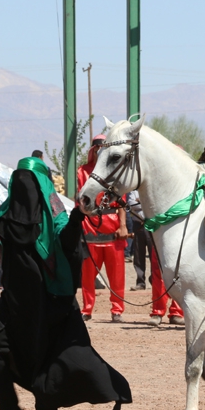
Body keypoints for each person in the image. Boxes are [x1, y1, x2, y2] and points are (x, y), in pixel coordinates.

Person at [0, 156, 132, 410]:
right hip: (13, 303)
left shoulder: (57, 216)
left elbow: (67, 240)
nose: (24, 188)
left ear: (41, 185)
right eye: (19, 181)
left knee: (47, 363)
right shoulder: (5, 215)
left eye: (29, 182)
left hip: (49, 303)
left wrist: (76, 220)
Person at [77, 135, 127, 323]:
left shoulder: (116, 173)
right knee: (88, 275)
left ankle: (117, 309)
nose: (99, 151)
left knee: (117, 275)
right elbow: (79, 201)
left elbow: (121, 202)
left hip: (113, 228)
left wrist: (122, 225)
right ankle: (87, 309)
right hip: (90, 228)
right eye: (97, 148)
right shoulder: (82, 172)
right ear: (93, 150)